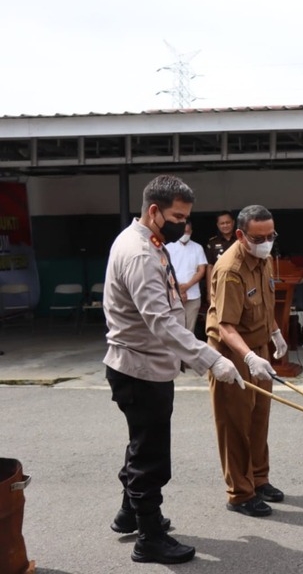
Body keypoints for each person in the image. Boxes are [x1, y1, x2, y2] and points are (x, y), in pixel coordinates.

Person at [103, 175, 243, 564]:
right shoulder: (140, 253)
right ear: (154, 211)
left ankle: (129, 513)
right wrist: (211, 359)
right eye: (177, 216)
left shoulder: (145, 241)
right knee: (150, 455)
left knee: (140, 443)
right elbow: (160, 322)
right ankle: (149, 538)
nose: (182, 223)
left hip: (146, 364)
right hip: (140, 368)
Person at [206, 205, 289, 518]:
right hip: (232, 355)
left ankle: (258, 478)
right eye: (259, 237)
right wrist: (249, 356)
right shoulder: (231, 269)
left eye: (271, 235)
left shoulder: (262, 258)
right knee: (235, 425)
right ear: (240, 235)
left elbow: (264, 306)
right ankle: (240, 493)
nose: (266, 241)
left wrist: (276, 333)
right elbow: (226, 326)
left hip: (258, 349)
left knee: (258, 419)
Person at [165, 219, 207, 334]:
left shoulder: (198, 248)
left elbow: (201, 270)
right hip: (173, 295)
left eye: (187, 232)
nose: (185, 234)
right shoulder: (168, 248)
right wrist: (178, 289)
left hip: (193, 296)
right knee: (173, 330)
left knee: (189, 330)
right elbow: (165, 270)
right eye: (183, 231)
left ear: (191, 232)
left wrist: (186, 286)